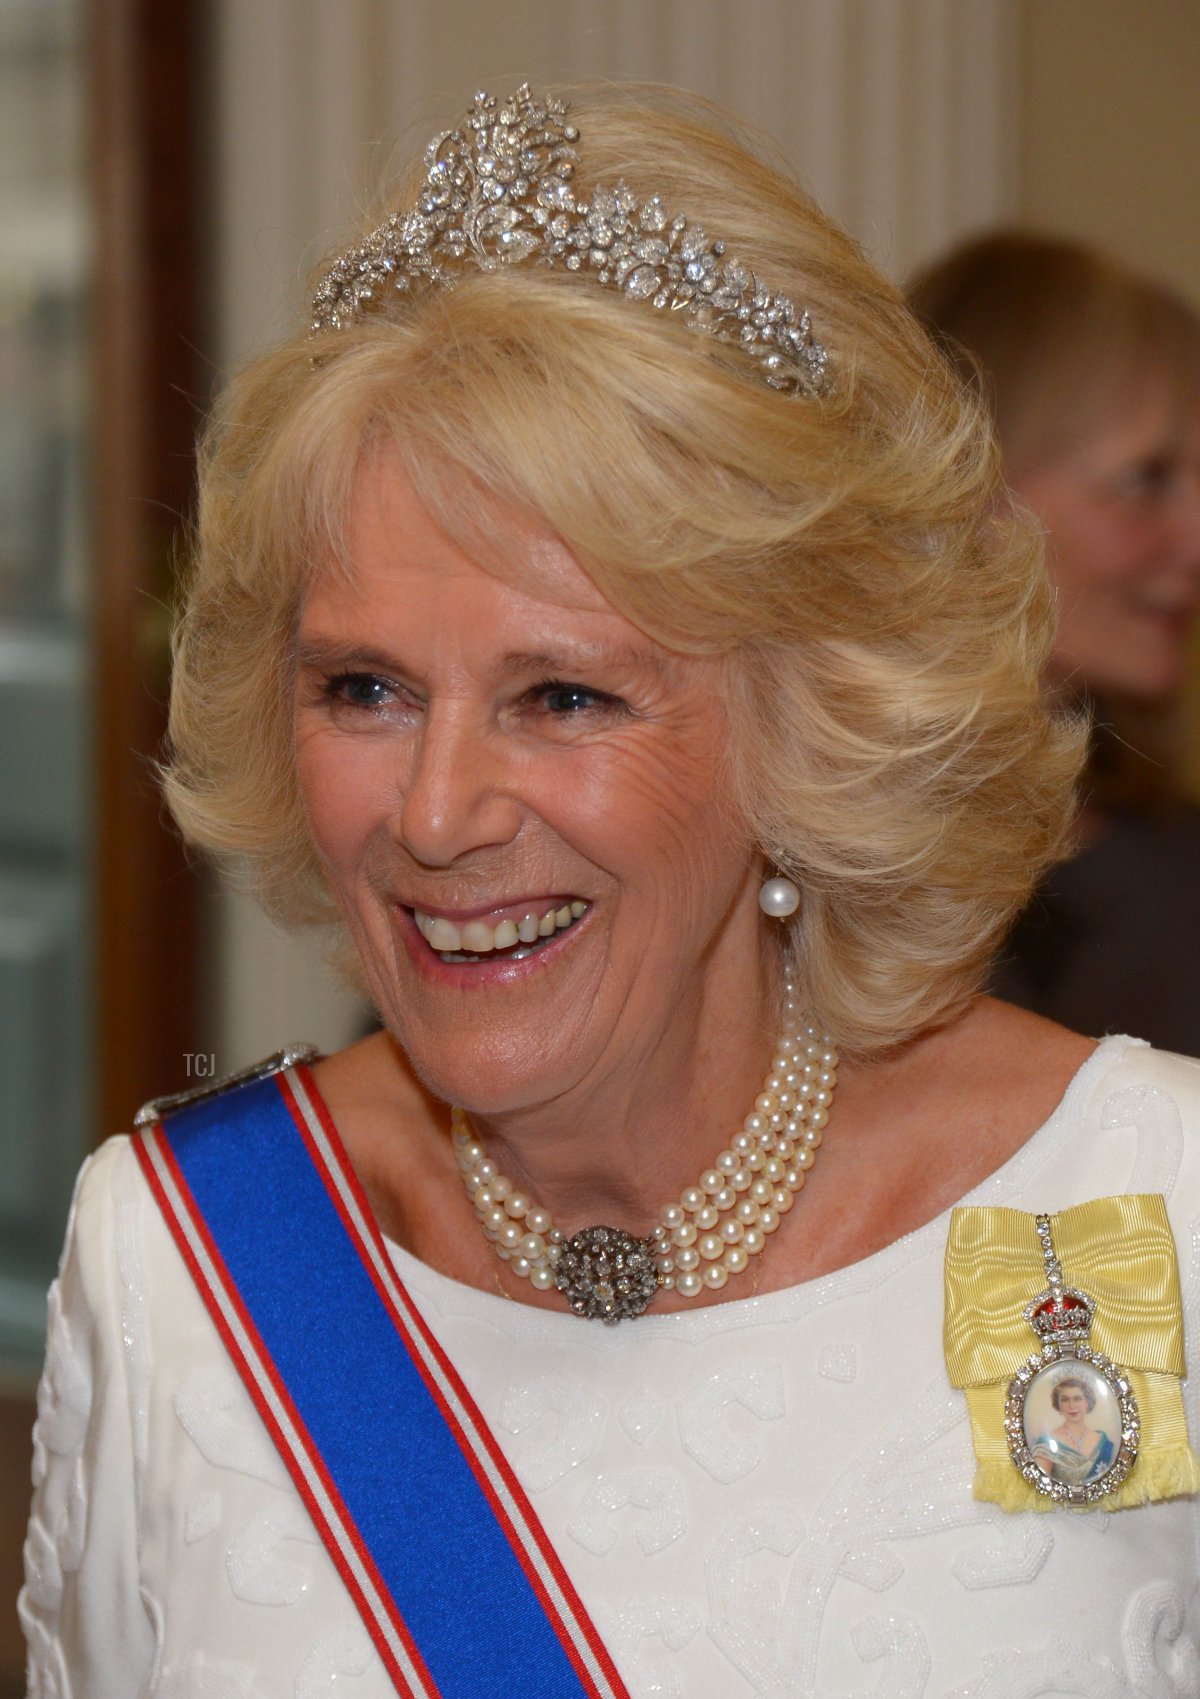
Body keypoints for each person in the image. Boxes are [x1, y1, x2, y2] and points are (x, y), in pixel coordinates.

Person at [20, 84, 1200, 1697]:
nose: (433, 813)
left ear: (809, 723)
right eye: (363, 686)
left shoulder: (1162, 1203)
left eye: (563, 695)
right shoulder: (181, 1260)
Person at [908, 234, 1200, 1051]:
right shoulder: (810, 883)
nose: (1196, 540)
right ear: (966, 488)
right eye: (1146, 481)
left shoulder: (1172, 881)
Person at [1030, 1372, 1116, 1489]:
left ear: (1087, 1402)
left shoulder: (1103, 1441)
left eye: (1077, 1399)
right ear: (1058, 1404)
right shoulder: (1045, 1444)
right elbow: (1042, 1486)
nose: (1072, 1406)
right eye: (1065, 1400)